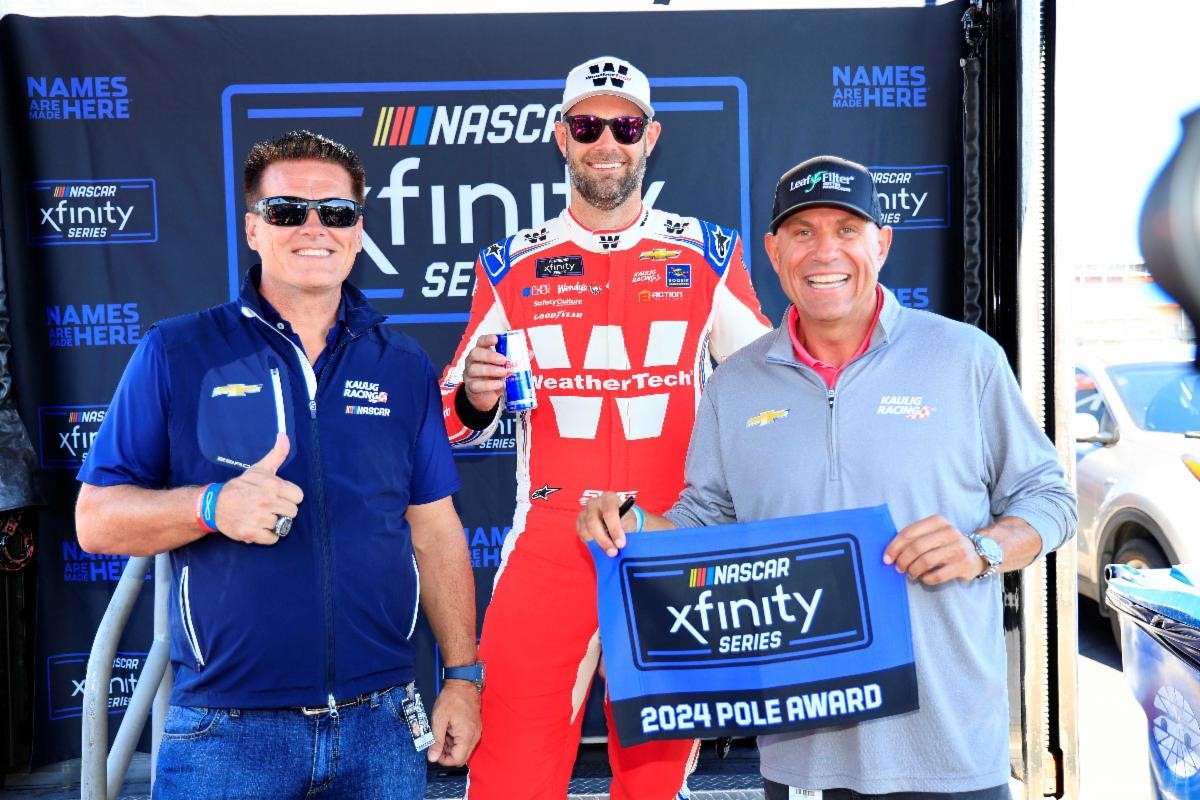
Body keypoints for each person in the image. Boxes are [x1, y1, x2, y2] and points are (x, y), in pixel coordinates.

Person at [578, 155, 1077, 800]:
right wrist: (633, 523)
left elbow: (1050, 499)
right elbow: (706, 520)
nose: (825, 251)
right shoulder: (735, 383)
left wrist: (981, 549)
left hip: (951, 750)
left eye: (847, 228)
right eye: (803, 231)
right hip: (803, 759)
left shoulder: (964, 357)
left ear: (882, 242)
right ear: (774, 250)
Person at [75, 130, 481, 800]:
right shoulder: (178, 351)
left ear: (359, 230)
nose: (315, 228)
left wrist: (463, 679)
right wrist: (210, 505)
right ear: (254, 230)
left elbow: (435, 531)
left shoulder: (401, 363)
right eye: (289, 211)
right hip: (226, 737)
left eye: (337, 213)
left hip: (380, 728)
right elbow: (96, 521)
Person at [439, 56, 771, 799]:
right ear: (562, 138)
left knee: (653, 787)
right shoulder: (511, 264)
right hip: (550, 544)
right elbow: (449, 420)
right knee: (510, 781)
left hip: (666, 545)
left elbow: (773, 397)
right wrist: (476, 399)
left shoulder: (710, 253)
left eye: (623, 126)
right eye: (587, 125)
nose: (606, 142)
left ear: (650, 137)